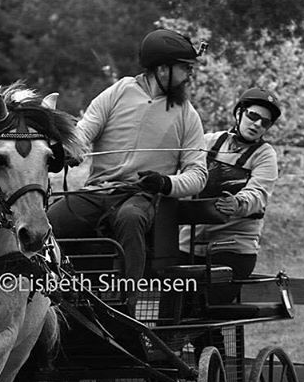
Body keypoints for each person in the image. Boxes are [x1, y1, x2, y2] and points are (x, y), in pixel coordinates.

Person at [48, 29, 208, 293]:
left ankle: (128, 299)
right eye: (185, 68)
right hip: (97, 192)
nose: (190, 74)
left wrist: (164, 183)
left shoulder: (188, 115)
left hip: (141, 196)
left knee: (130, 218)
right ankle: (49, 293)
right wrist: (69, 149)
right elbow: (84, 131)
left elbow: (198, 175)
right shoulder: (119, 91)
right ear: (163, 69)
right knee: (50, 221)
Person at [178, 87, 281, 302]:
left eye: (265, 122)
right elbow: (181, 174)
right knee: (173, 310)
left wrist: (238, 203)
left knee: (208, 310)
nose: (257, 124)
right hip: (188, 244)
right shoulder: (207, 142)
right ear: (239, 113)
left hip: (233, 247)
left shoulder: (265, 155)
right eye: (253, 116)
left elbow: (258, 193)